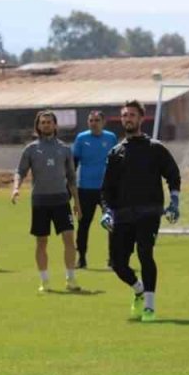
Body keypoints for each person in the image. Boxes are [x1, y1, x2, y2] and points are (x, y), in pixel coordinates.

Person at [100, 101, 180, 322]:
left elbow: (173, 175)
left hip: (149, 212)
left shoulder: (155, 148)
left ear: (141, 118)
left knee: (145, 253)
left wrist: (174, 201)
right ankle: (138, 289)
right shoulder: (116, 152)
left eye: (132, 115)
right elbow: (106, 189)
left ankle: (150, 307)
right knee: (117, 263)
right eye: (125, 115)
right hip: (122, 215)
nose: (128, 119)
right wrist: (106, 212)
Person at [11, 110, 82, 294]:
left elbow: (72, 178)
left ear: (55, 125)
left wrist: (77, 203)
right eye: (43, 122)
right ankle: (45, 281)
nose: (46, 125)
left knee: (69, 239)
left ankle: (71, 278)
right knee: (41, 242)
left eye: (49, 122)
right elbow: (20, 171)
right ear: (38, 126)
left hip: (61, 200)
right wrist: (16, 187)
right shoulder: (31, 149)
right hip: (40, 201)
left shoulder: (65, 149)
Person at [72, 110, 118, 269]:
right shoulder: (81, 138)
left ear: (103, 122)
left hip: (107, 189)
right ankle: (82, 258)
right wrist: (71, 186)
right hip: (85, 189)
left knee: (111, 223)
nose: (93, 123)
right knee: (83, 224)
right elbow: (74, 162)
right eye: (91, 120)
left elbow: (117, 161)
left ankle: (113, 259)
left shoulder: (111, 138)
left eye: (97, 120)